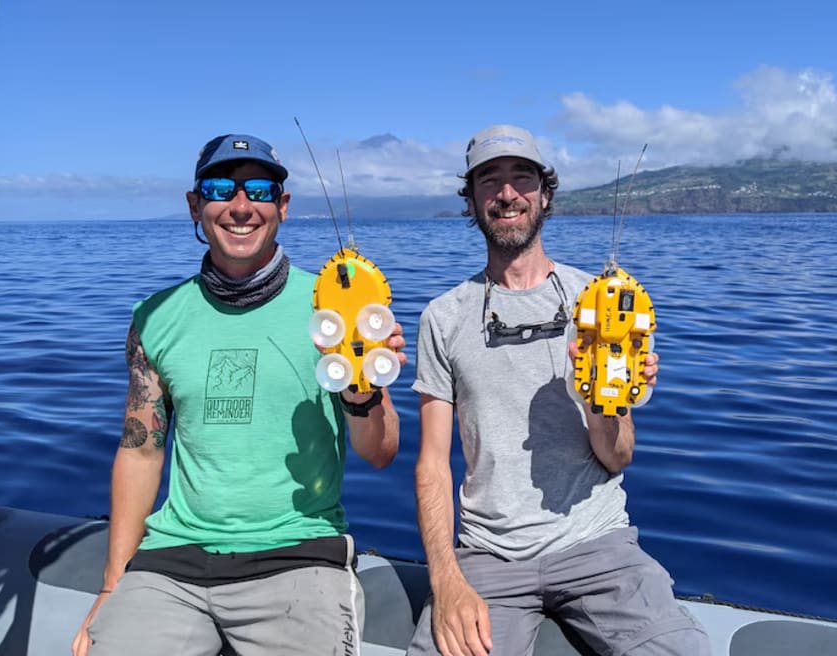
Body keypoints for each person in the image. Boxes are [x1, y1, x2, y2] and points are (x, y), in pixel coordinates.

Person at [71, 133, 405, 656]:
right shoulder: (155, 318)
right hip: (174, 558)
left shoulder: (335, 307)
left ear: (283, 206)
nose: (242, 207)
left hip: (299, 555)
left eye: (261, 190)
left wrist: (363, 393)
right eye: (221, 187)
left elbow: (380, 453)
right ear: (196, 204)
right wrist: (113, 585)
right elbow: (140, 453)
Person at [407, 125, 710, 656]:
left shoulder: (600, 305)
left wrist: (601, 406)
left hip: (599, 545)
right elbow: (433, 462)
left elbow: (618, 457)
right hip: (488, 556)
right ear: (472, 199)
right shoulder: (443, 317)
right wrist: (446, 579)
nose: (506, 194)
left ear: (545, 194)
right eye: (489, 181)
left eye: (521, 178)